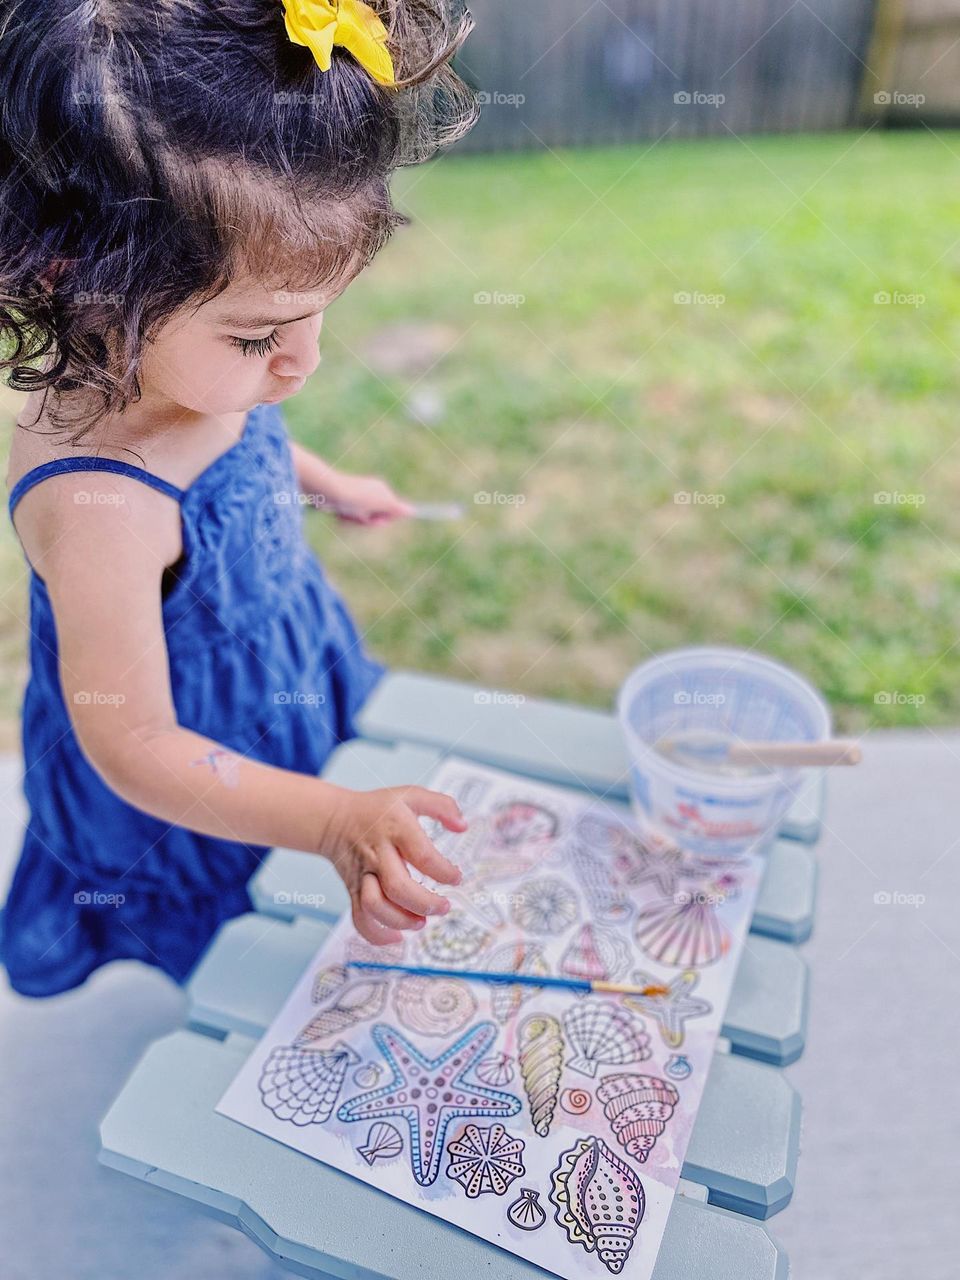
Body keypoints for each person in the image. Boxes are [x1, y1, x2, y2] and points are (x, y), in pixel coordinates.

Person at [0, 0, 481, 996]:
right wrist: (332, 821)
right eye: (261, 336)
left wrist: (326, 481)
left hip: (277, 663)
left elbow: (238, 433)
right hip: (189, 755)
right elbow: (133, 743)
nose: (304, 363)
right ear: (78, 280)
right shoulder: (101, 507)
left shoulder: (188, 371)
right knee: (232, 926)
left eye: (321, 316)